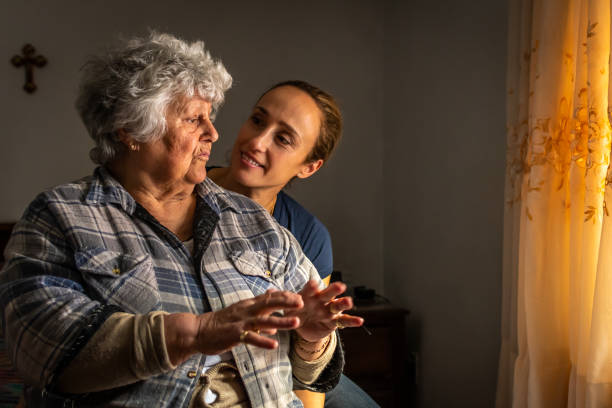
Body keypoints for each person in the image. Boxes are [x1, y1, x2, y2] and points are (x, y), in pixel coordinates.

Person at [0, 32, 364, 408]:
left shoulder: (256, 223)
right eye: (194, 119)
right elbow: (41, 347)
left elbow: (312, 376)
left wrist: (312, 338)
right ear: (130, 129)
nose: (214, 133)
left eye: (211, 117)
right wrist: (192, 334)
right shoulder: (60, 217)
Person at [207, 80, 380, 408]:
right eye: (258, 120)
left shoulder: (308, 237)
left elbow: (307, 374)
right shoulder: (180, 191)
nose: (256, 142)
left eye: (283, 138)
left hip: (283, 366)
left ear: (309, 166)